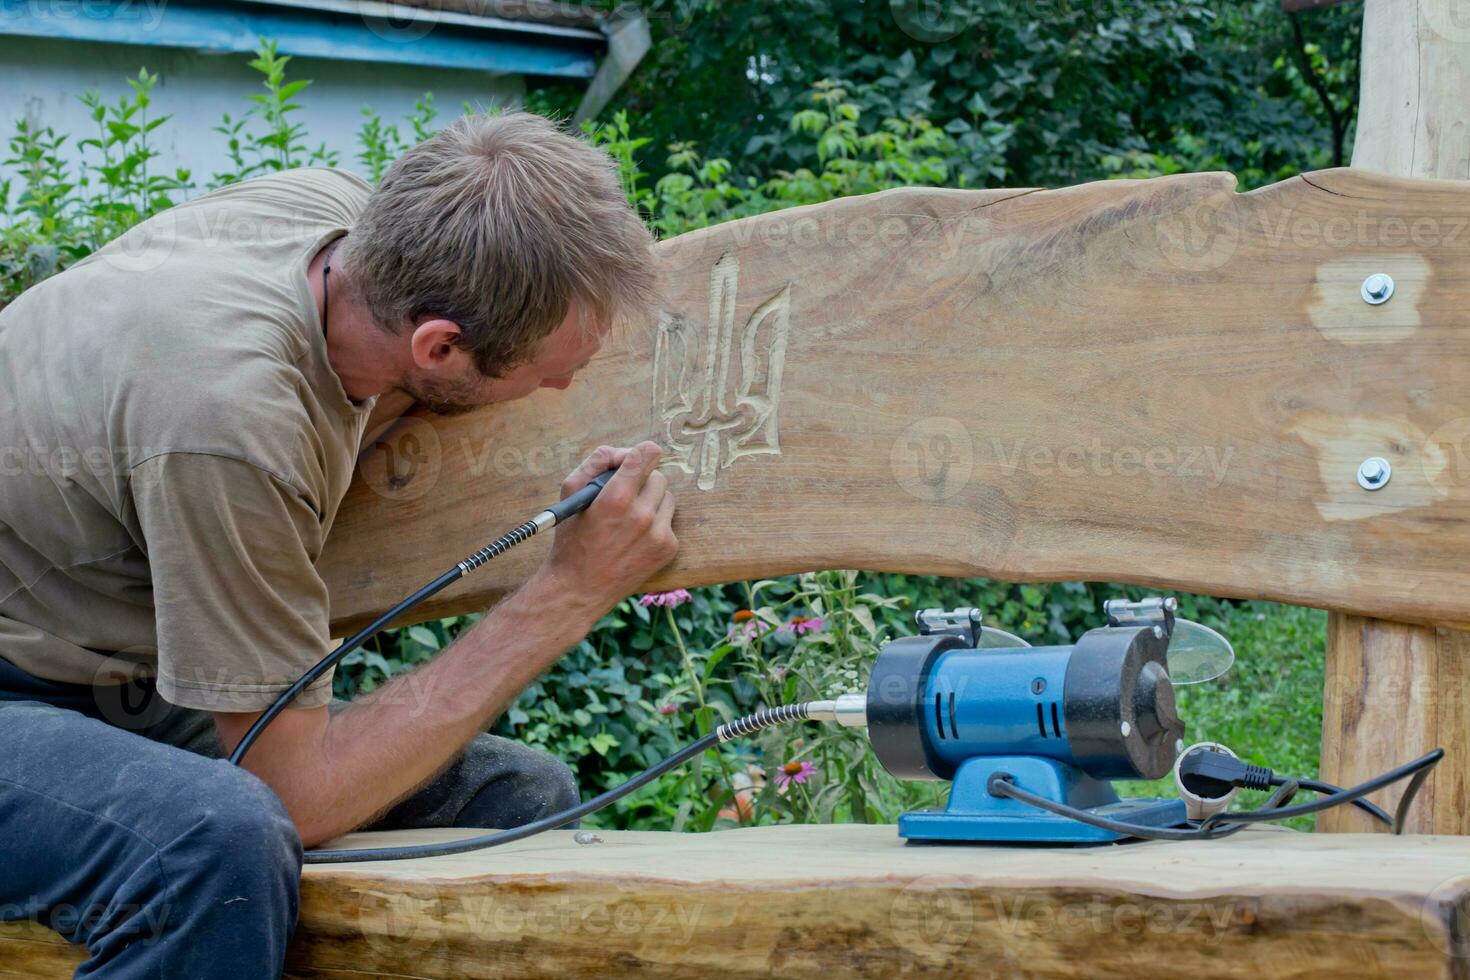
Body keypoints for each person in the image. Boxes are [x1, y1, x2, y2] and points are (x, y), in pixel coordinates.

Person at [0, 111, 677, 977]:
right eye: (551, 372)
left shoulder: (341, 227)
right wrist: (569, 593)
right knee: (212, 847)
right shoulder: (228, 419)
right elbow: (295, 789)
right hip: (22, 695)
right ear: (438, 345)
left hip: (101, 679)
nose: (565, 387)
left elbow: (366, 390)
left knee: (511, 798)